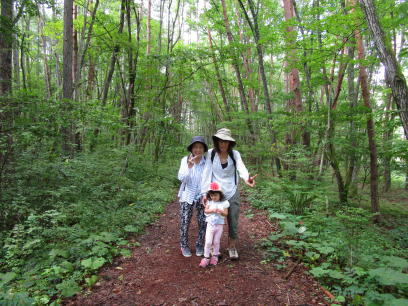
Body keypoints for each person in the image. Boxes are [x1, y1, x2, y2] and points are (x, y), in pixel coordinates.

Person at [201, 128, 257, 259]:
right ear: (217, 141)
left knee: (233, 220)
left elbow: (241, 167)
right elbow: (207, 172)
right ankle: (215, 248)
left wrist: (247, 178)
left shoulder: (235, 154)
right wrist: (204, 193)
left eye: (226, 141)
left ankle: (232, 246)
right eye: (220, 141)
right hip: (215, 193)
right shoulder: (211, 153)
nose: (223, 144)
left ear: (230, 143)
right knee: (214, 220)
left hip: (232, 191)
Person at [178, 136, 208, 257]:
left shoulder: (207, 162)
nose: (198, 150)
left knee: (203, 221)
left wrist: (206, 194)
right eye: (195, 147)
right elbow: (181, 178)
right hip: (187, 195)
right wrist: (189, 167)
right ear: (191, 149)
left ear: (203, 149)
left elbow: (208, 179)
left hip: (202, 196)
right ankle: (184, 245)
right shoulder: (185, 160)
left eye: (200, 147)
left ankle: (200, 244)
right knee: (185, 221)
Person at [199, 182, 229, 268]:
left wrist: (221, 212)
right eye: (212, 195)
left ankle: (215, 256)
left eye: (215, 195)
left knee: (216, 241)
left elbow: (226, 214)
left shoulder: (224, 203)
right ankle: (206, 257)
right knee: (208, 241)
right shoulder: (210, 202)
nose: (213, 197)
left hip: (219, 225)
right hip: (210, 225)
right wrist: (212, 210)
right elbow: (206, 211)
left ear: (220, 195)